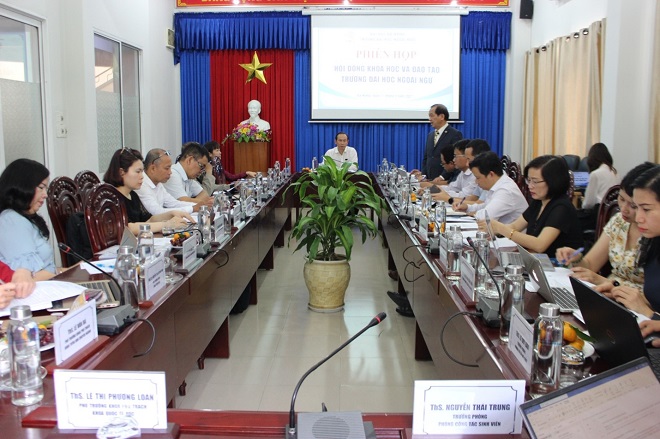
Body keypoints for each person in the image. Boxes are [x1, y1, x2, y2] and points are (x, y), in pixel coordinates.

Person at [556, 162, 655, 290]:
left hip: (630, 298)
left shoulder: (653, 230)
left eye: (633, 206)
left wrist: (601, 280)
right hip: (607, 293)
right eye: (621, 199)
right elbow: (590, 265)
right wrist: (576, 259)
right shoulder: (619, 222)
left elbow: (652, 296)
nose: (623, 209)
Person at [481, 155, 583, 257]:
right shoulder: (539, 201)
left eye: (535, 181)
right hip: (536, 259)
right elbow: (515, 226)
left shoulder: (562, 208)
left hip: (558, 264)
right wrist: (494, 230)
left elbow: (540, 245)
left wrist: (501, 229)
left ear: (554, 181)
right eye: (528, 180)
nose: (530, 186)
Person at [603, 165, 660, 319]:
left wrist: (647, 312)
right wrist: (621, 294)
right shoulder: (653, 241)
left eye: (646, 209)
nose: (639, 218)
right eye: (638, 208)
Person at [103, 148, 193, 235]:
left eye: (142, 171)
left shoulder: (133, 195)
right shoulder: (111, 198)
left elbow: (149, 220)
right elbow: (128, 228)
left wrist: (171, 214)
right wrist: (166, 225)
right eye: (138, 172)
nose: (142, 176)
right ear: (121, 172)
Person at [0, 159, 57, 280]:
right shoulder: (11, 220)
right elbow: (26, 279)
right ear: (22, 187)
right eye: (41, 187)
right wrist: (64, 276)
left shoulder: (24, 218)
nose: (45, 194)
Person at [452, 151, 528, 224]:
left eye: (478, 178)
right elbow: (486, 206)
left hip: (507, 233)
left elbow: (485, 217)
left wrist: (470, 213)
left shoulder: (505, 191)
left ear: (491, 174)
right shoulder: (497, 184)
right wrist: (467, 208)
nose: (476, 182)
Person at [136, 148, 211, 216]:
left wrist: (198, 206)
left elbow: (173, 203)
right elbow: (157, 212)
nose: (170, 172)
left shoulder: (158, 184)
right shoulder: (142, 185)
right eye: (167, 168)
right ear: (153, 168)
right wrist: (192, 208)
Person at [420, 104, 463, 181]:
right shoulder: (430, 135)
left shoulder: (454, 134)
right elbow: (426, 158)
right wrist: (424, 176)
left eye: (432, 116)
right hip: (430, 179)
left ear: (442, 117)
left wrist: (442, 177)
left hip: (446, 181)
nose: (430, 119)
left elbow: (455, 159)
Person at [431, 139, 480, 203]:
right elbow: (452, 187)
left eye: (455, 156)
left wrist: (445, 196)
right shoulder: (462, 172)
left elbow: (465, 196)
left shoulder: (475, 174)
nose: (454, 160)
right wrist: (433, 189)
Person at [581, 143, 619, 210]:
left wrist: (582, 203)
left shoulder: (595, 174)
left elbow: (588, 204)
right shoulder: (616, 173)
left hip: (598, 211)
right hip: (612, 211)